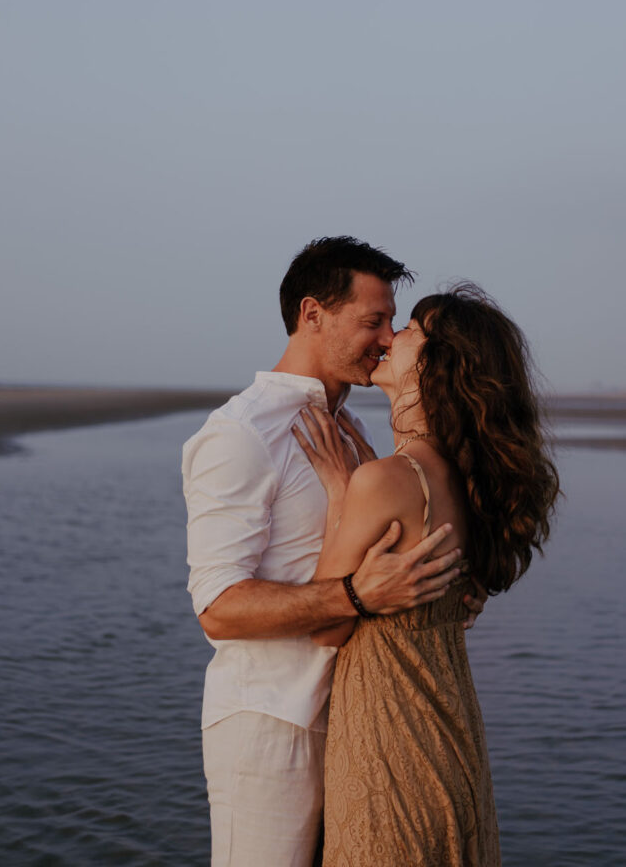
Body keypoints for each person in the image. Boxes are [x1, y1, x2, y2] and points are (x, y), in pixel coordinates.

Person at [182, 238, 485, 867]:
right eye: (372, 321)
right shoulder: (243, 433)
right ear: (312, 314)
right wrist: (353, 596)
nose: (384, 337)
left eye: (391, 323)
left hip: (361, 722)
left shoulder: (356, 432)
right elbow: (217, 607)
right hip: (273, 724)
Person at [293, 282, 560, 866]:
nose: (393, 336)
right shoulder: (467, 485)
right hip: (454, 733)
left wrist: (341, 496)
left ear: (440, 367)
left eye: (412, 329)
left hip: (392, 744)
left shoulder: (386, 480)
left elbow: (325, 627)